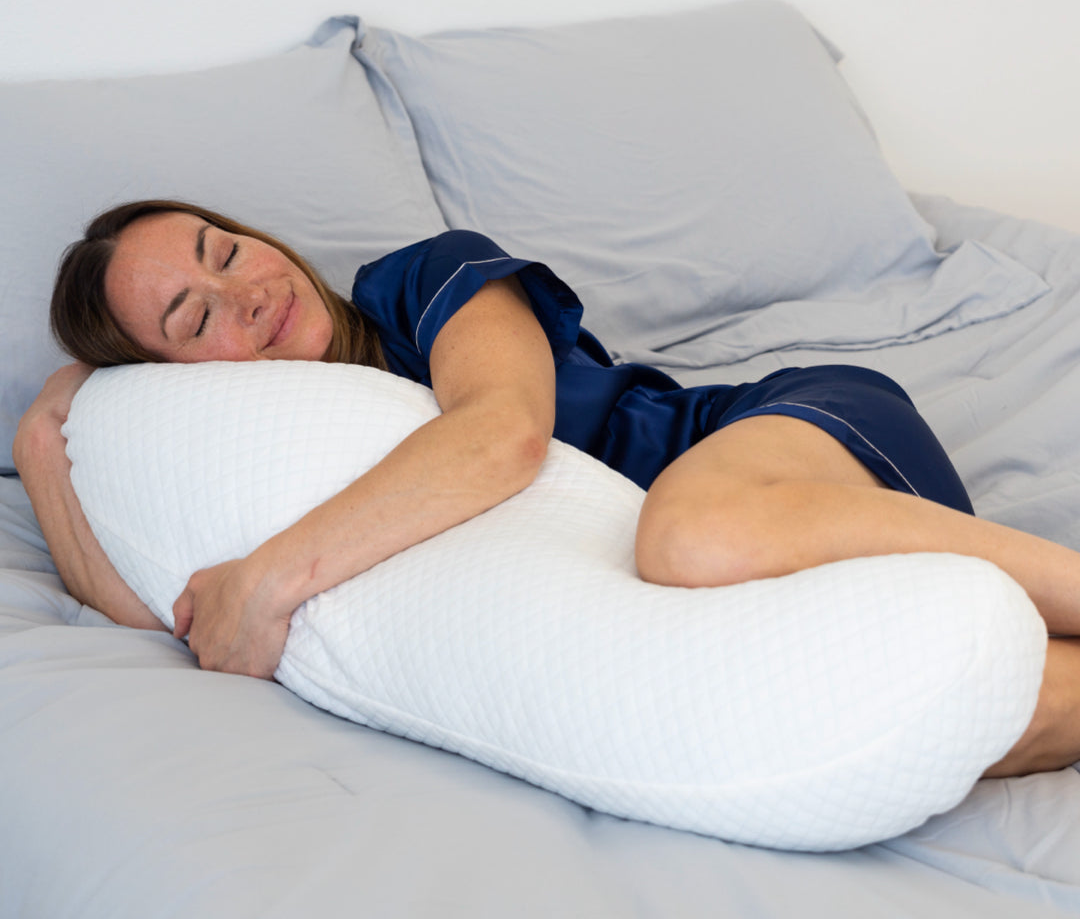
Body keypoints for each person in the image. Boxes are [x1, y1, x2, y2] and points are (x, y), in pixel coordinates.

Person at [12, 199, 1080, 778]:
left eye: (226, 250)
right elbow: (178, 612)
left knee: (696, 533)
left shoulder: (423, 282)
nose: (244, 291)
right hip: (684, 607)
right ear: (174, 383)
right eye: (195, 316)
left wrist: (274, 577)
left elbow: (503, 435)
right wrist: (50, 445)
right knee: (921, 720)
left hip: (775, 448)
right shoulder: (262, 455)